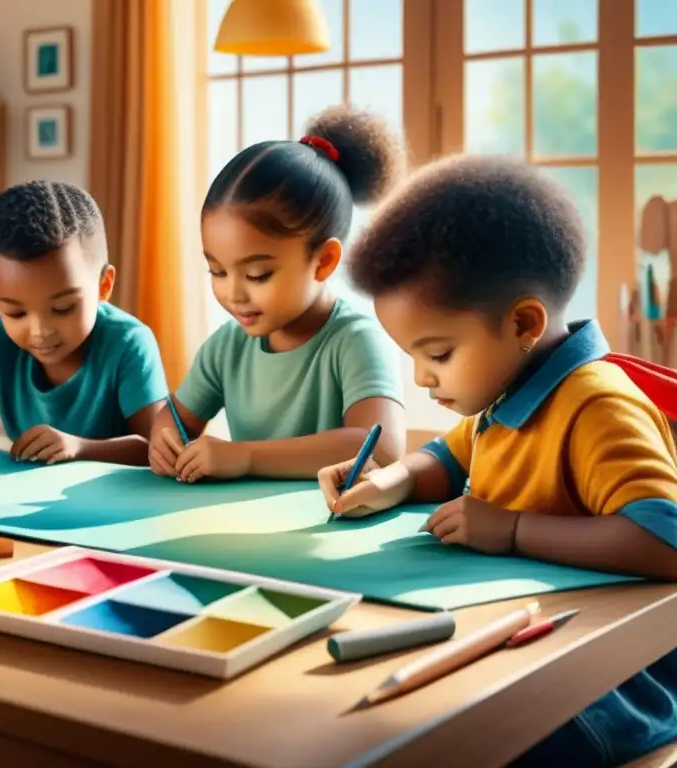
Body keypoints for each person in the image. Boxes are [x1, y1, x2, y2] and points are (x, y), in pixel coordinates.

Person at [318, 154, 677, 767]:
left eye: (437, 353)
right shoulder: (506, 390)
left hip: (609, 682)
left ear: (523, 323)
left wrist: (511, 530)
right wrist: (395, 480)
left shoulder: (597, 406)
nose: (422, 378)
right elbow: (448, 456)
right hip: (521, 641)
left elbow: (664, 540)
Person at [147, 104, 407, 483]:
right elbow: (174, 415)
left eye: (257, 274)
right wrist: (164, 440)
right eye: (216, 270)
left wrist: (247, 457)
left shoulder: (355, 340)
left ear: (324, 261)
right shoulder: (227, 347)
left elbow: (380, 449)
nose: (232, 293)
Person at [0, 181, 169, 477]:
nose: (40, 330)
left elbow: (158, 448)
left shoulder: (129, 343)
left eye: (63, 308)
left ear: (104, 285)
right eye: (15, 312)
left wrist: (79, 448)